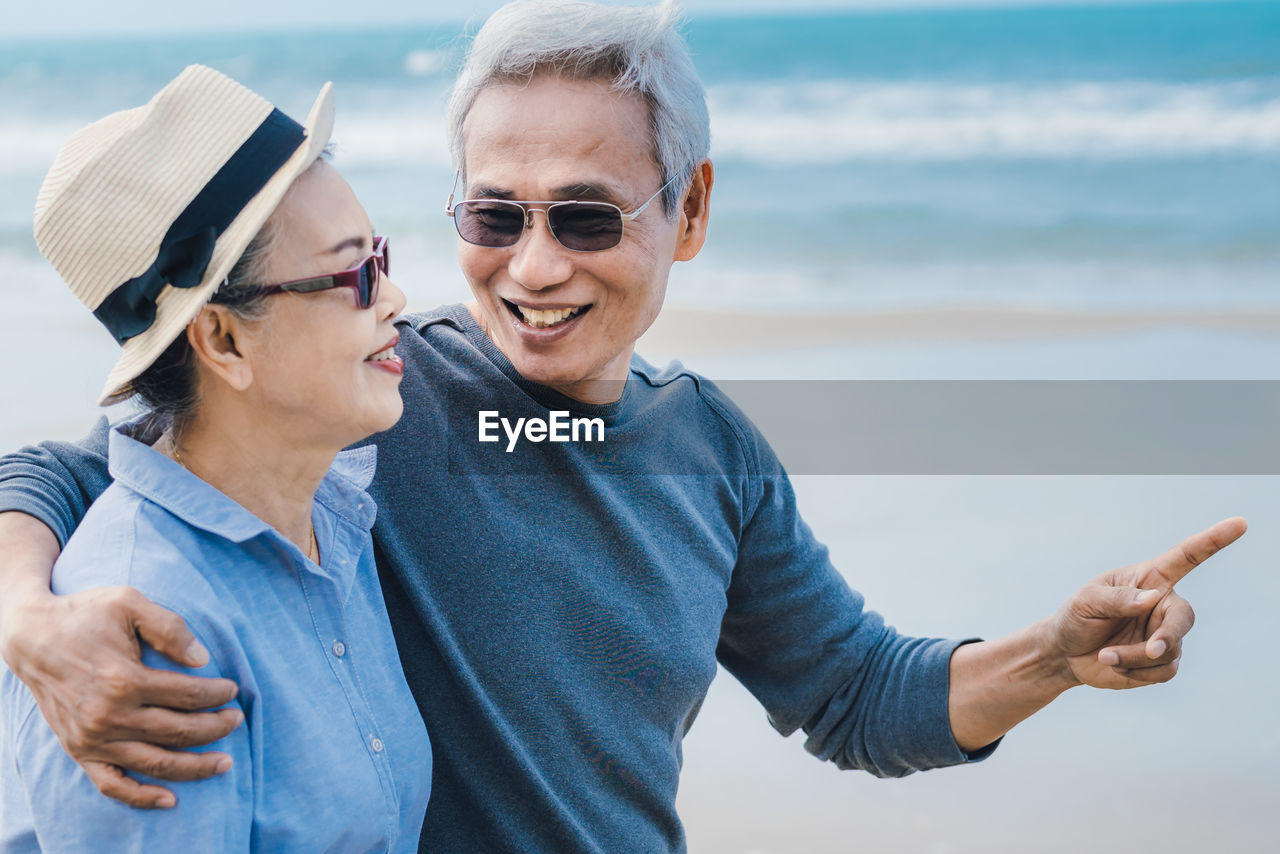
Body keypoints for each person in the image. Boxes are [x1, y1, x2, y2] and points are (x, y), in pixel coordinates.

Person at [0, 3, 1245, 852]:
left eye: (586, 218)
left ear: (688, 209)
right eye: (494, 216)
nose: (534, 268)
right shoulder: (367, 400)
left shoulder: (701, 447)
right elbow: (96, 469)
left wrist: (1058, 653)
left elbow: (857, 694)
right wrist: (30, 619)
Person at [0, 66, 429, 851]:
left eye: (385, 257)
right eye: (359, 273)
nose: (395, 299)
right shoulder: (143, 642)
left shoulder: (330, 502)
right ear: (225, 341)